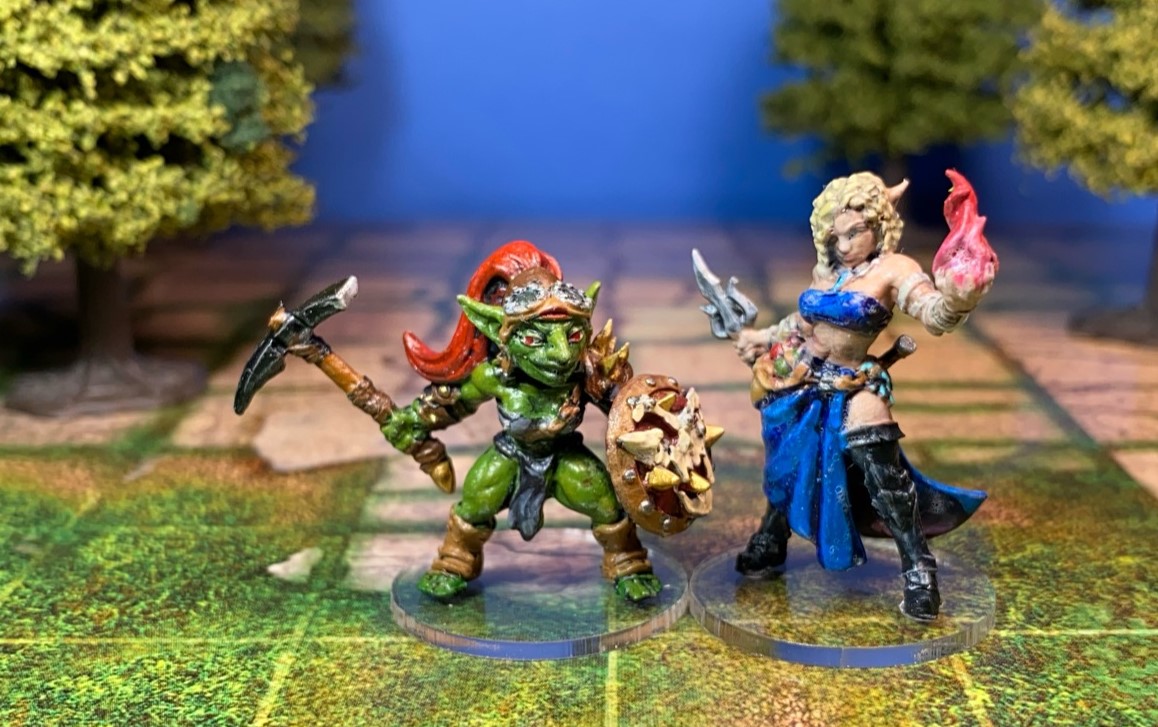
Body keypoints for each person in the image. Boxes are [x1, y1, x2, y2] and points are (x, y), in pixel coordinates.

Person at [733, 170, 996, 621]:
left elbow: (933, 313)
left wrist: (957, 298)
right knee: (787, 466)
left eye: (855, 232)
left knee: (882, 471)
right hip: (800, 380)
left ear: (878, 223)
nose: (845, 244)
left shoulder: (895, 269)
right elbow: (803, 323)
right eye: (836, 236)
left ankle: (919, 570)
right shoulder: (829, 272)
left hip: (854, 382)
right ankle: (772, 539)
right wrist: (763, 336)